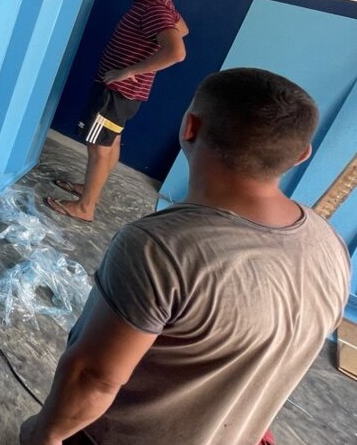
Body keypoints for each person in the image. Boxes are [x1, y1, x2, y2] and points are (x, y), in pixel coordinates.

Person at [19, 68, 352, 445]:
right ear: (302, 155)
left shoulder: (159, 248)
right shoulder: (329, 243)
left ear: (189, 127)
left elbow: (95, 377)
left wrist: (45, 435)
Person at [45, 0, 187, 223]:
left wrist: (129, 70)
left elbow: (177, 52)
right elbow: (183, 30)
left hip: (116, 93)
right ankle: (91, 190)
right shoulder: (161, 4)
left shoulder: (155, 9)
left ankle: (85, 207)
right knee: (111, 141)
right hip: (124, 94)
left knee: (97, 146)